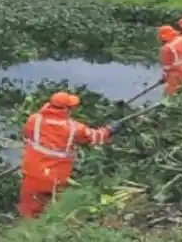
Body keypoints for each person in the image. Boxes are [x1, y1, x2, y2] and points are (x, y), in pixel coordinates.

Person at [17, 91, 112, 219]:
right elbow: (95, 137)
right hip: (55, 177)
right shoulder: (74, 128)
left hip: (32, 174)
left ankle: (27, 225)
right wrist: (109, 130)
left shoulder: (34, 120)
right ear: (66, 109)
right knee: (51, 208)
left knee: (28, 209)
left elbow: (27, 134)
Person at [159, 24, 182, 97]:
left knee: (170, 94)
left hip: (175, 74)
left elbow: (167, 67)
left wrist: (164, 77)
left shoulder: (166, 49)